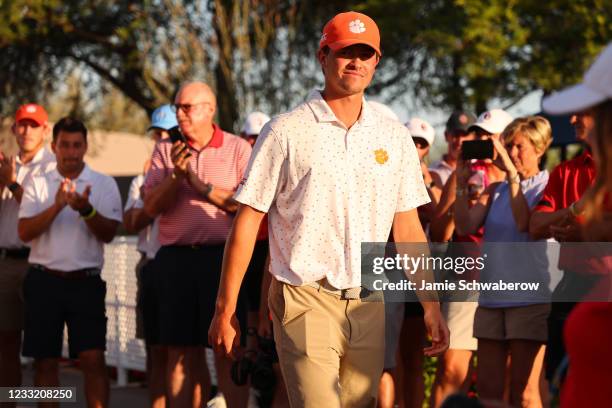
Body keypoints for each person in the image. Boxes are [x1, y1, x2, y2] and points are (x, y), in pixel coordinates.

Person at [209, 11, 449, 407]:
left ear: (376, 61)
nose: (355, 62)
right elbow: (248, 220)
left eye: (364, 53)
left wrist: (431, 305)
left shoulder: (395, 138)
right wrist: (226, 308)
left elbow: (407, 228)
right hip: (303, 295)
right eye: (344, 52)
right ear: (323, 57)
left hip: (369, 297)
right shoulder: (284, 131)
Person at [143, 81, 252, 408]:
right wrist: (176, 177)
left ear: (209, 109)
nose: (179, 114)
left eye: (186, 107)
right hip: (175, 261)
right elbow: (149, 208)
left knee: (228, 347)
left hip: (223, 260)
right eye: (177, 107)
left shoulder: (237, 149)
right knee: (179, 351)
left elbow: (245, 205)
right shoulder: (165, 150)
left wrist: (197, 183)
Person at [18, 117, 122, 408]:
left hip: (85, 282)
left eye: (77, 145)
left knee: (93, 359)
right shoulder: (37, 183)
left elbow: (110, 233)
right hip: (43, 281)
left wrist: (86, 209)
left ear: (86, 147)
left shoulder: (103, 183)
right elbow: (24, 232)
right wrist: (58, 205)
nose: (71, 152)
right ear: (54, 146)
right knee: (45, 362)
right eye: (65, 145)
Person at [455, 116, 553, 407]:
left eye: (518, 146)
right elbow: (465, 226)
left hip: (529, 299)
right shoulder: (495, 190)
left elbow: (525, 223)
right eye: (507, 146)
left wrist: (512, 176)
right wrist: (460, 185)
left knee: (525, 393)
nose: (511, 154)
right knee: (488, 393)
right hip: (491, 300)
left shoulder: (547, 185)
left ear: (540, 148)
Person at [538, 42, 612, 407]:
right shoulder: (570, 169)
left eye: (585, 111)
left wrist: (589, 230)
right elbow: (536, 222)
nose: (572, 121)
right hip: (575, 283)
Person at [0, 103, 55, 398]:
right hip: (7, 262)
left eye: (34, 125)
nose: (27, 131)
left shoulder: (55, 167)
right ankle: (10, 403)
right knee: (6, 346)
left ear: (45, 130)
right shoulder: (6, 164)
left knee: (43, 352)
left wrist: (11, 182)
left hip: (41, 262)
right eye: (22, 124)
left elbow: (41, 216)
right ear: (13, 129)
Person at [124, 104, 176, 408]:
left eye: (167, 135)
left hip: (181, 265)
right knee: (155, 350)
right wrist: (152, 200)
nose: (161, 141)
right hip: (150, 265)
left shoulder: (191, 172)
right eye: (157, 135)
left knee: (182, 350)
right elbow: (131, 222)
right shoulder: (140, 180)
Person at [429, 110, 477, 186]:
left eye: (465, 135)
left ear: (475, 138)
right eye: (456, 134)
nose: (460, 141)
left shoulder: (482, 169)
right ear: (446, 135)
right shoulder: (431, 170)